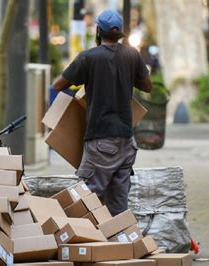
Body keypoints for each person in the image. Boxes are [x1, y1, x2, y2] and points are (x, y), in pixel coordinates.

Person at [52, 9, 153, 216]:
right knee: (118, 206)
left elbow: (58, 85)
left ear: (99, 31)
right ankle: (119, 243)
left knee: (84, 200)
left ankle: (82, 243)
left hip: (100, 140)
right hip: (127, 141)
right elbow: (148, 86)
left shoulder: (88, 58)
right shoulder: (132, 55)